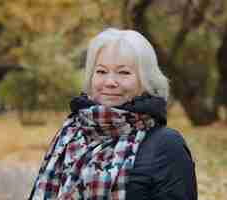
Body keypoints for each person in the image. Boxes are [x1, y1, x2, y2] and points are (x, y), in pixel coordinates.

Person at [28, 28, 197, 200]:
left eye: (123, 72)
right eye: (101, 71)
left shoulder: (167, 145)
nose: (110, 82)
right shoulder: (71, 132)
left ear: (146, 81)